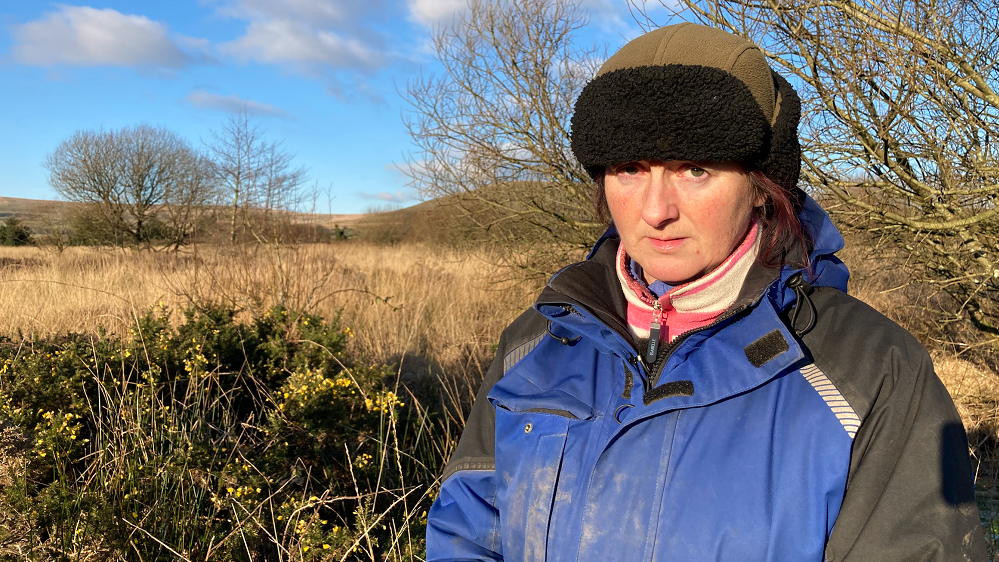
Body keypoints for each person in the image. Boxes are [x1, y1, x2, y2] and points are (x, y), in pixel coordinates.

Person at [425, 23, 987, 561]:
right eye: (628, 169)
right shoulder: (536, 345)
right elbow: (467, 534)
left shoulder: (870, 373)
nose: (655, 211)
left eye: (694, 168)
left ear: (764, 186)